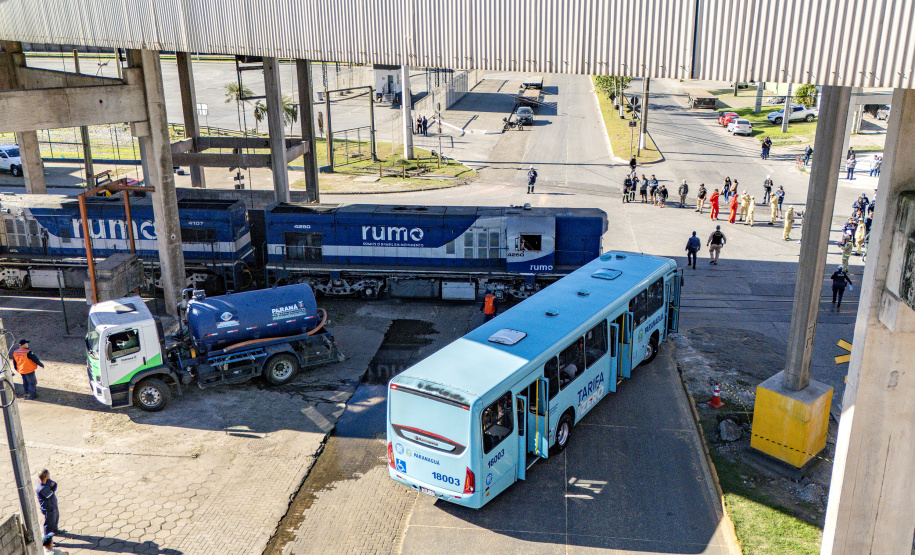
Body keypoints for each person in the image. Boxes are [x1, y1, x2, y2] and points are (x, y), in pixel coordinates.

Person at [36, 470, 64, 537]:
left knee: (56, 519)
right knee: (49, 525)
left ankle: (55, 530)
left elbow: (54, 484)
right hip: (48, 509)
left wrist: (52, 488)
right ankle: (48, 540)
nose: (49, 474)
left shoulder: (47, 480)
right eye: (48, 474)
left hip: (53, 505)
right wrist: (52, 489)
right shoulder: (42, 488)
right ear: (45, 476)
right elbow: (50, 495)